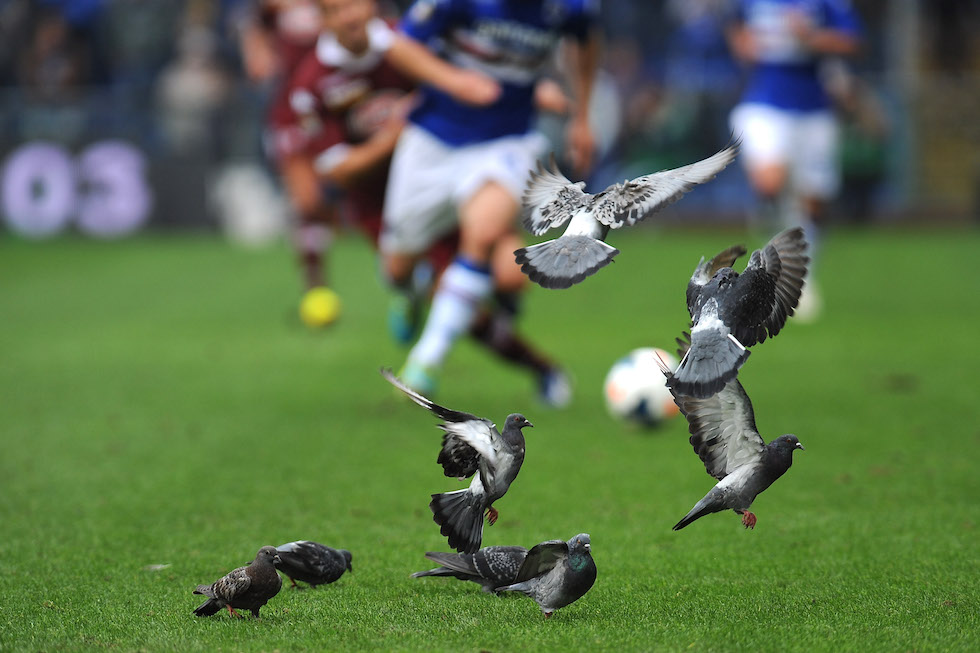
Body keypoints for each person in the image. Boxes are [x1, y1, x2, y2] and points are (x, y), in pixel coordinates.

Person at [270, 0, 572, 405]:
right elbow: (336, 171)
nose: (352, 16)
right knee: (406, 277)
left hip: (460, 168)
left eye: (357, 4)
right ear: (322, 19)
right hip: (383, 200)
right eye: (337, 10)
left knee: (509, 273)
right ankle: (412, 293)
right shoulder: (311, 83)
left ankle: (543, 371)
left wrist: (533, 92)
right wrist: (395, 133)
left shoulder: (409, 38)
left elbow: (478, 73)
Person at [381, 0, 601, 393]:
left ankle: (426, 361)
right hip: (433, 140)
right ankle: (412, 289)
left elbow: (585, 41)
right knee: (397, 266)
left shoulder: (570, 6)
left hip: (507, 141)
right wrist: (455, 82)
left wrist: (582, 117)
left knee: (482, 238)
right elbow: (399, 45)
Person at [727, 0, 862, 320]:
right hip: (765, 102)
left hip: (813, 108)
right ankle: (774, 253)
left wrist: (811, 38)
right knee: (770, 180)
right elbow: (736, 28)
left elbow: (852, 40)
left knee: (814, 201)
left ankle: (802, 275)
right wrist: (743, 44)